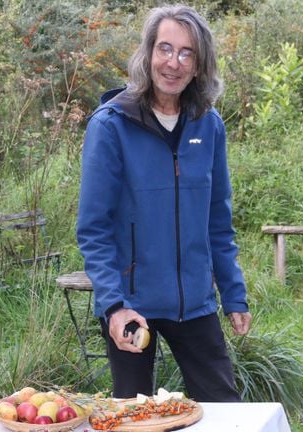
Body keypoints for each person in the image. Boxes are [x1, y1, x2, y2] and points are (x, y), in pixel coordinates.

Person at [76, 4, 251, 402]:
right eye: (165, 49)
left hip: (196, 302)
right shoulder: (110, 126)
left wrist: (233, 293)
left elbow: (218, 221)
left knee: (227, 413)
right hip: (131, 306)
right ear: (148, 53)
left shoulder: (209, 125)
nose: (174, 63)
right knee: (134, 415)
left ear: (199, 64)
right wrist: (114, 305)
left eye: (187, 53)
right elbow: (94, 229)